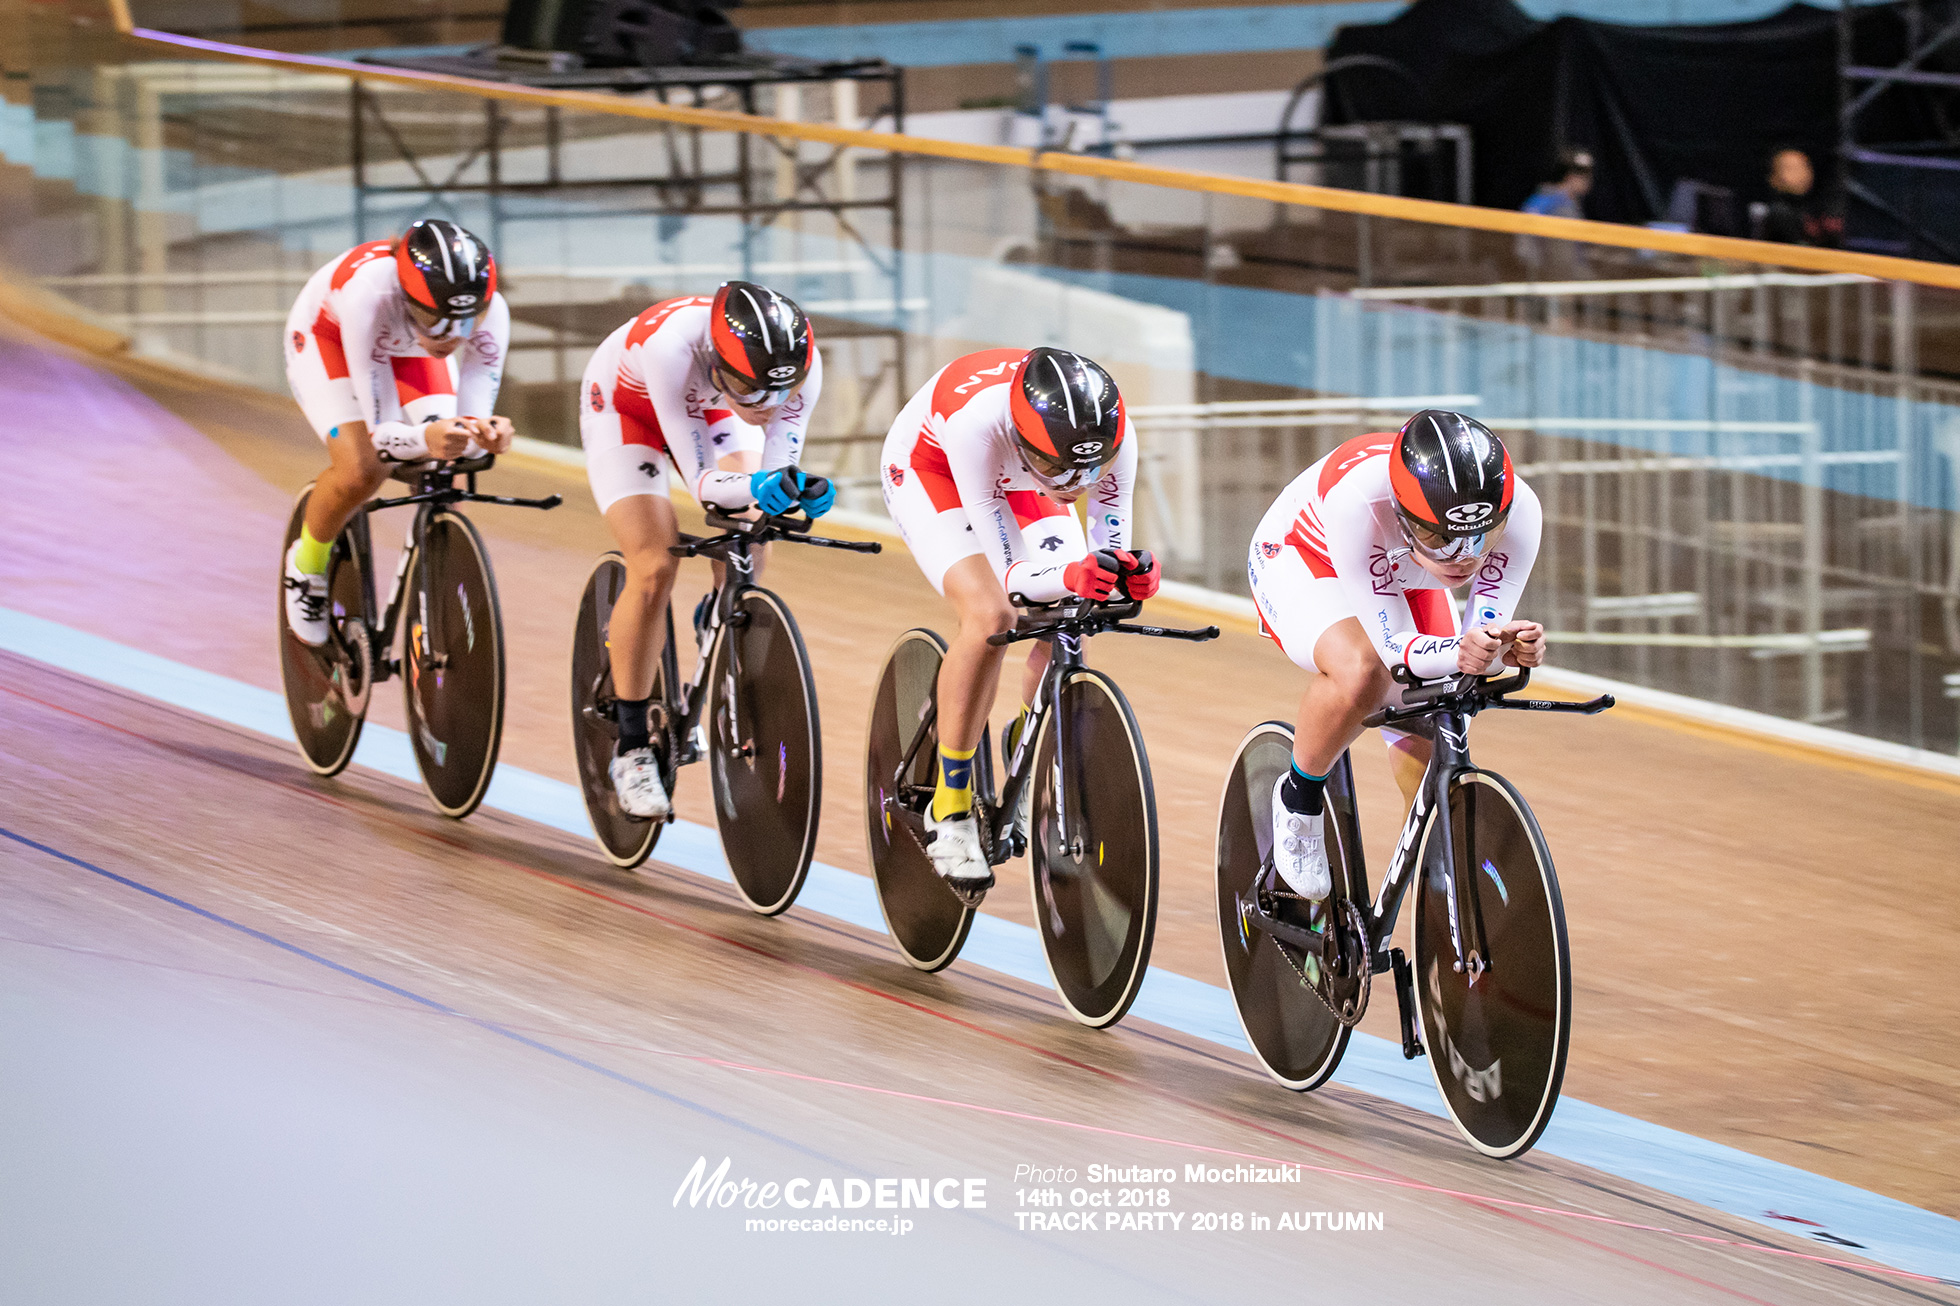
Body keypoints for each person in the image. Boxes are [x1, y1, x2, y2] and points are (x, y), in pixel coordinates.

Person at [879, 346, 1159, 890]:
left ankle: (1023, 739)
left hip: (1026, 478)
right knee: (990, 615)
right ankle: (951, 804)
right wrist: (1075, 574)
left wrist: (1129, 576)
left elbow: (1108, 545)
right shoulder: (976, 427)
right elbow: (1012, 576)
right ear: (1027, 438)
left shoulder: (1108, 436)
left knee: (1075, 618)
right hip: (934, 469)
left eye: (1089, 467)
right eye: (1062, 467)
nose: (1077, 483)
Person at [1245, 411, 1546, 902]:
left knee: (1443, 711)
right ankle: (1298, 798)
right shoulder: (1359, 503)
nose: (1465, 557)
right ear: (1404, 519)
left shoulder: (1520, 512)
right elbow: (1395, 653)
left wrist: (1505, 648)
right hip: (1305, 556)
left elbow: (1476, 646)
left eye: (1481, 537)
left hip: (1402, 571)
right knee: (1364, 671)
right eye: (1441, 538)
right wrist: (1465, 651)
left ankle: (1438, 890)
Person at [581, 281, 830, 821]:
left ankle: (716, 614)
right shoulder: (672, 348)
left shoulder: (795, 370)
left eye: (776, 393)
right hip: (627, 410)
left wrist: (791, 488)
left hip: (708, 407)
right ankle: (631, 748)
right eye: (751, 388)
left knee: (751, 530)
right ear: (718, 362)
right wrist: (760, 485)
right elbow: (705, 485)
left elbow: (773, 472)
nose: (766, 407)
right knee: (655, 562)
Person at [281, 219, 515, 646]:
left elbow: (473, 409)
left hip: (408, 346)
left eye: (465, 323)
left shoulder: (488, 309)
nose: (451, 337)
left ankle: (436, 583)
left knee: (450, 464)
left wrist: (485, 430)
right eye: (435, 318)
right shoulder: (368, 297)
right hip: (329, 339)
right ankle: (307, 565)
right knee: (362, 471)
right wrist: (424, 438)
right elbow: (380, 433)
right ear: (408, 299)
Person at [1755, 147, 1841, 247]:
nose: (1801, 174)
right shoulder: (1778, 213)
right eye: (1791, 169)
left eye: (1804, 166)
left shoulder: (1820, 210)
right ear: (1773, 178)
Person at [1520, 150, 1593, 221]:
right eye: (1580, 174)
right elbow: (1524, 226)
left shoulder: (1574, 203)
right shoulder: (1548, 197)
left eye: (1587, 175)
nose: (1586, 180)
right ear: (1568, 175)